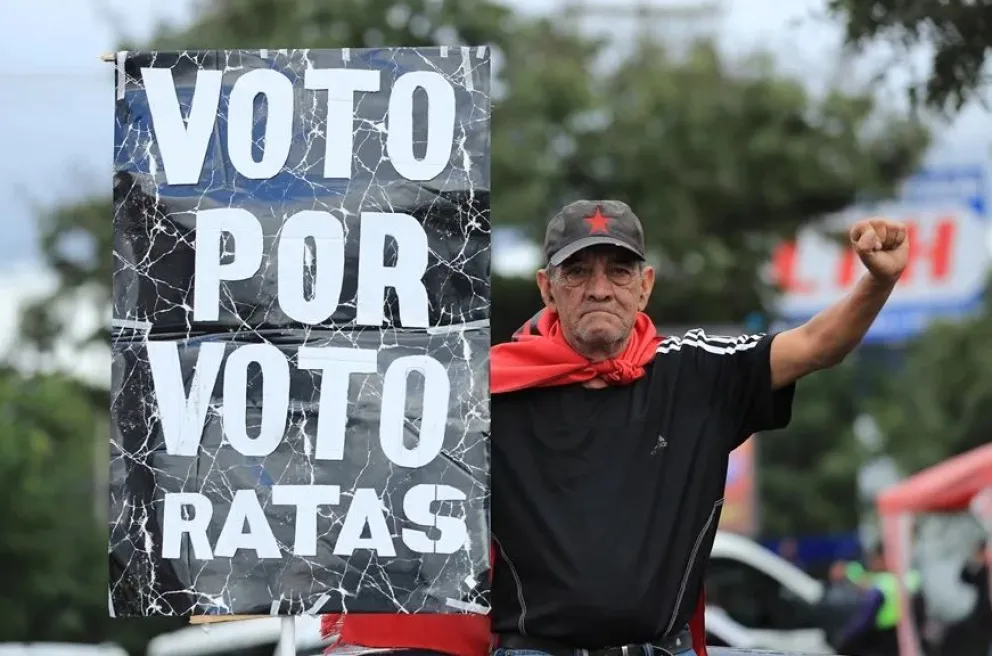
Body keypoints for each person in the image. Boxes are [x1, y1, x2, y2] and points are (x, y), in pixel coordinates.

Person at [323, 199, 909, 656]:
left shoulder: (696, 373)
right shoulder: (485, 390)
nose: (599, 287)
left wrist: (877, 282)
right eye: (577, 271)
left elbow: (814, 346)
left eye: (619, 270)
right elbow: (365, 422)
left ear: (645, 285)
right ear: (547, 288)